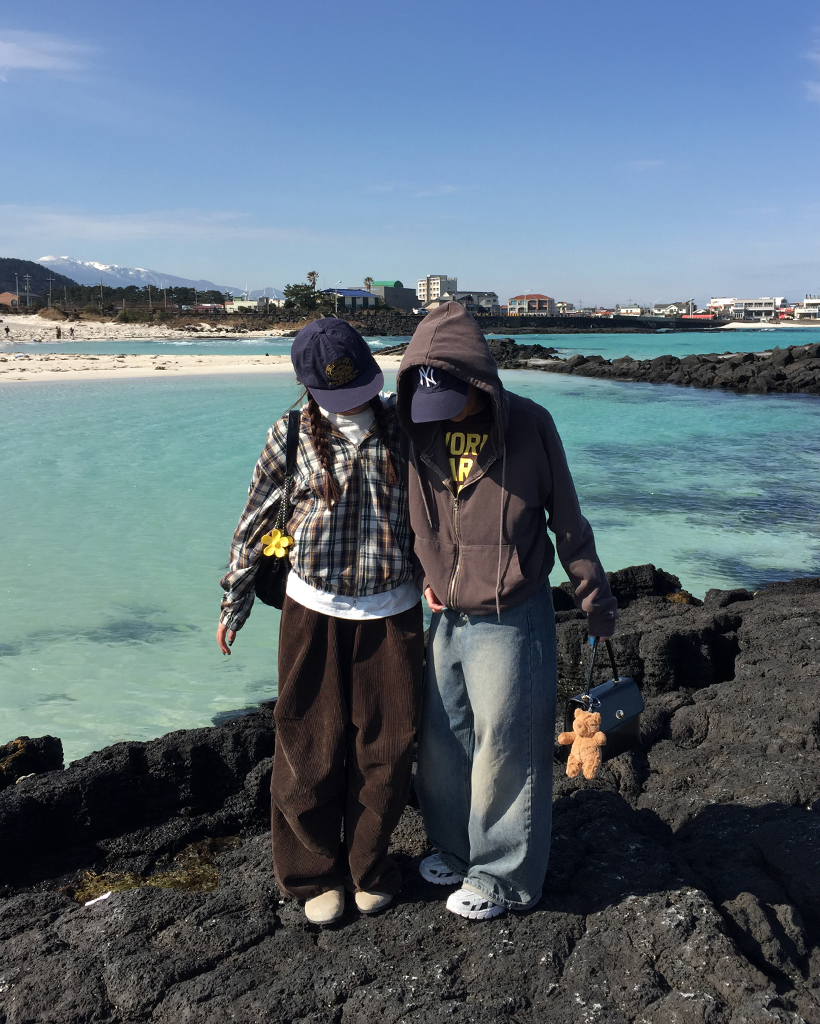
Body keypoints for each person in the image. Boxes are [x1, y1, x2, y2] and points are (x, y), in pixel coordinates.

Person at [396, 301, 618, 921]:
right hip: (444, 614)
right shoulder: (417, 426)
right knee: (443, 742)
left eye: (453, 399)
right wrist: (425, 576)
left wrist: (595, 599)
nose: (442, 413)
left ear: (480, 379)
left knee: (507, 748)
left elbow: (567, 520)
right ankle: (455, 847)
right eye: (429, 402)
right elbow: (414, 516)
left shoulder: (531, 425)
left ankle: (504, 877)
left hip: (512, 615)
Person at [218, 319, 423, 925]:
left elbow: (441, 511)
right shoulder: (288, 435)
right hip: (311, 611)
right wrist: (234, 602)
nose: (354, 402)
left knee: (389, 749)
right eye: (339, 393)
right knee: (306, 746)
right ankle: (311, 874)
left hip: (394, 611)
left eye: (362, 387)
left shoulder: (406, 426)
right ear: (307, 388)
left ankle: (369, 868)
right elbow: (253, 522)